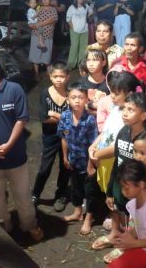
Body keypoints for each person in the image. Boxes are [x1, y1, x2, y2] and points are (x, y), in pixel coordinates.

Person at [0, 54, 44, 241]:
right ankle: (5, 225)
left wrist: (8, 145)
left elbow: (21, 119)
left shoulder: (14, 90)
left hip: (15, 157)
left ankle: (29, 224)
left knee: (23, 195)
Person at [97, 92, 146, 264]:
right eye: (124, 109)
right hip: (119, 183)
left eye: (131, 110)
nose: (125, 113)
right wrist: (110, 189)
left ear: (144, 115)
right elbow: (117, 160)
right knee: (115, 207)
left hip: (136, 189)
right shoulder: (123, 131)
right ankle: (114, 234)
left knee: (133, 218)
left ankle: (125, 245)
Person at [59, 82, 98, 235]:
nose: (77, 101)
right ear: (67, 99)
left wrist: (90, 165)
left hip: (87, 163)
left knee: (90, 192)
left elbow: (93, 145)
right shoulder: (65, 116)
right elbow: (63, 138)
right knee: (75, 188)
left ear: (86, 99)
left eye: (80, 97)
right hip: (73, 161)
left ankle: (88, 218)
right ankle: (77, 212)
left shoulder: (90, 120)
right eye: (73, 97)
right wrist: (65, 157)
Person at [32, 62, 72, 211]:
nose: (59, 79)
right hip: (50, 136)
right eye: (55, 76)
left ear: (68, 77)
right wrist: (64, 118)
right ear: (50, 76)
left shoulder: (71, 94)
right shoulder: (45, 93)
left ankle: (61, 195)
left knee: (65, 166)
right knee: (45, 167)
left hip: (67, 137)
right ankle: (35, 194)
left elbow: (74, 117)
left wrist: (54, 114)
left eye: (62, 76)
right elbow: (43, 118)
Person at [28, 0, 58, 80]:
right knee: (35, 54)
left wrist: (39, 24)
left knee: (47, 56)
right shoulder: (38, 9)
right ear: (41, 0)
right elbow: (31, 18)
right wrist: (31, 24)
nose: (45, 0)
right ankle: (36, 74)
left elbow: (53, 19)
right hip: (36, 34)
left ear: (50, 0)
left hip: (48, 35)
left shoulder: (53, 9)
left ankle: (49, 75)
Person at [67, 0, 92, 70]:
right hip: (74, 30)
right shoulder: (72, 7)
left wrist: (88, 16)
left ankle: (81, 65)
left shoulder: (86, 6)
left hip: (85, 30)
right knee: (74, 47)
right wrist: (73, 28)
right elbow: (68, 19)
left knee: (83, 48)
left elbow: (91, 11)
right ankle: (71, 65)